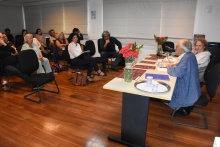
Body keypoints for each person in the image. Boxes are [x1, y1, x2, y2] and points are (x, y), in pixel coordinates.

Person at [166, 39, 201, 117]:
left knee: (167, 90)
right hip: (193, 87)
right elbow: (183, 68)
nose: (175, 48)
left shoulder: (186, 58)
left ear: (182, 49)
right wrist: (175, 66)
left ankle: (183, 108)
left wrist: (169, 68)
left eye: (177, 46)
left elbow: (177, 73)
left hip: (188, 90)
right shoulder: (190, 55)